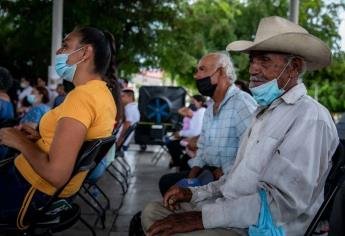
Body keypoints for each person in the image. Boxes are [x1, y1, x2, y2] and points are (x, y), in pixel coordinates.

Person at [141, 16, 339, 236]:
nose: (253, 69)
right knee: (152, 212)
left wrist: (202, 218)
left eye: (264, 60)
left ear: (293, 68)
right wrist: (194, 193)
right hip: (233, 210)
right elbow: (235, 181)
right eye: (252, 61)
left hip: (263, 226)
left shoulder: (309, 117)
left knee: (173, 228)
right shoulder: (264, 112)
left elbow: (282, 205)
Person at [0, 26, 121, 228]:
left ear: (85, 52)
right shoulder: (102, 94)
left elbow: (57, 174)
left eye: (65, 45)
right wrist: (39, 138)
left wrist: (18, 141)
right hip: (45, 193)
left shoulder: (81, 97)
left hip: (28, 192)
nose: (58, 52)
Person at [158, 52, 257, 196]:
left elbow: (253, 153)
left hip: (229, 183)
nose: (196, 75)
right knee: (167, 183)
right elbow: (203, 149)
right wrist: (189, 181)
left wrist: (225, 171)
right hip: (207, 175)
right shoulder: (210, 109)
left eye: (202, 69)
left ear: (221, 72)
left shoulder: (242, 104)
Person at [166, 95, 206, 169]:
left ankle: (176, 162)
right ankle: (177, 162)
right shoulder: (200, 112)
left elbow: (196, 131)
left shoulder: (200, 113)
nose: (192, 103)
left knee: (172, 144)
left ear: (200, 102)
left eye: (193, 101)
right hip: (193, 137)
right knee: (172, 143)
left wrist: (181, 134)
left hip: (195, 139)